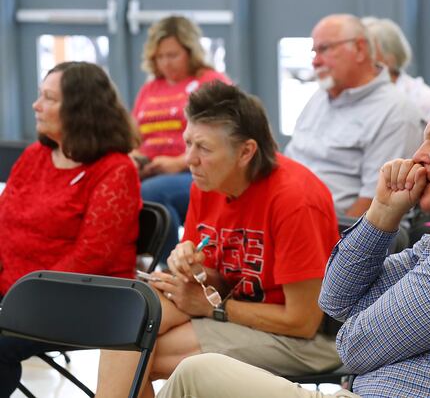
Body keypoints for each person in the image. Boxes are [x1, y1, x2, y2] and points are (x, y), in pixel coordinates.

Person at [155, 90, 430, 398]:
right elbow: (335, 301)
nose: (418, 155)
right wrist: (381, 215)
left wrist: (216, 305)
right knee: (195, 371)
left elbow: (353, 345)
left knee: (197, 375)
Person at [95, 82, 341, 398]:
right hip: (240, 312)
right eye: (188, 144)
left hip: (307, 340)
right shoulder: (208, 183)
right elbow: (219, 280)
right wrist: (192, 269)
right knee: (126, 319)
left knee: (137, 350)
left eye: (204, 148)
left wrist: (215, 308)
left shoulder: (295, 199)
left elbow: (303, 321)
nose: (189, 159)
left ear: (246, 151)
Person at [0, 61, 141, 397]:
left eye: (49, 98)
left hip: (79, 303)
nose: (36, 105)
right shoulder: (35, 156)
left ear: (80, 110)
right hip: (19, 292)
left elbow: (90, 260)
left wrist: (18, 299)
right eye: (40, 96)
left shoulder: (116, 170)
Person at [284, 13, 423, 218]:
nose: (315, 62)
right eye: (314, 52)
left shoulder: (395, 112)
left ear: (359, 49)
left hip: (344, 229)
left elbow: (376, 204)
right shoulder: (319, 99)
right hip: (291, 217)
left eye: (324, 49)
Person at [132, 16, 231, 263]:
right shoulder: (150, 88)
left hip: (194, 171)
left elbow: (226, 140)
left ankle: (169, 265)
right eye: (160, 56)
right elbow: (134, 136)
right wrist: (135, 158)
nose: (166, 63)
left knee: (152, 193)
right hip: (152, 170)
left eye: (172, 55)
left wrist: (178, 163)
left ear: (190, 51)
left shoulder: (209, 82)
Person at [361, 16, 430, 121]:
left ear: (389, 58)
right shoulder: (346, 95)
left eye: (366, 51)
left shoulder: (421, 98)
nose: (358, 58)